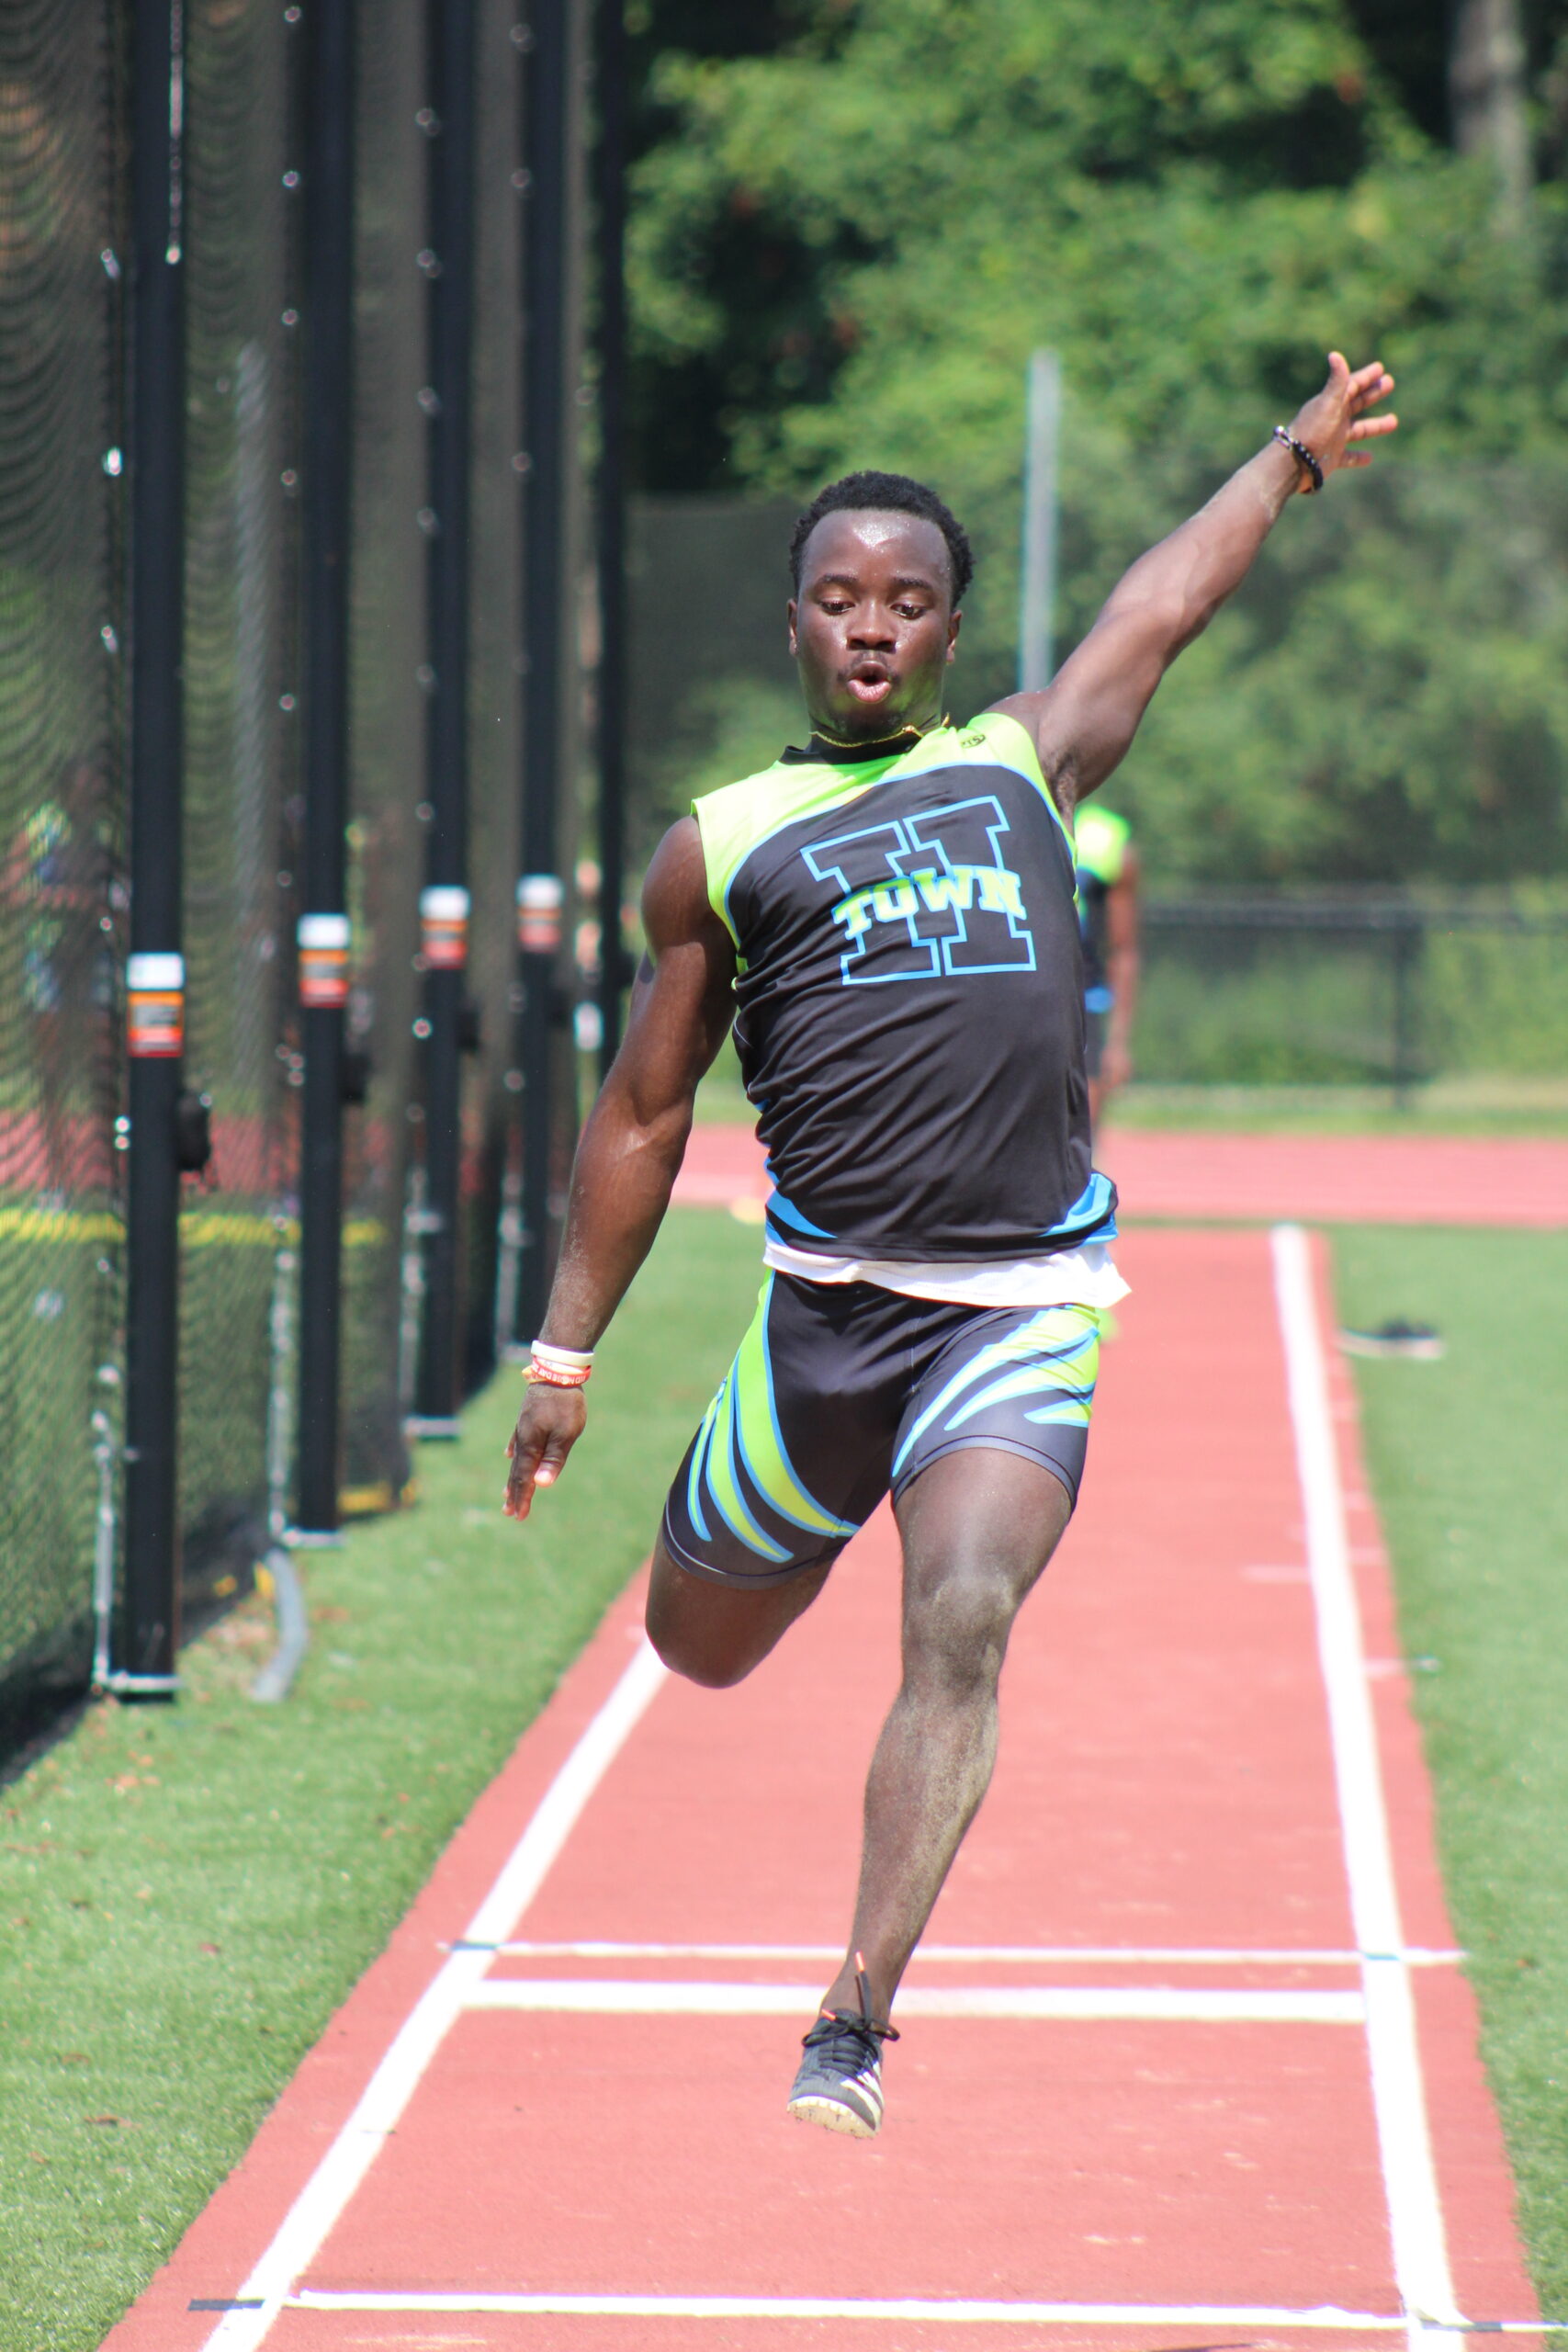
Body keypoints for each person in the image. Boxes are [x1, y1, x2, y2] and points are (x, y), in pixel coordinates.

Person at [504, 353, 1397, 2137]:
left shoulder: (1020, 762)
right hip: (823, 1326)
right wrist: (561, 1352)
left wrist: (1285, 459)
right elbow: (643, 1113)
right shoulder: (725, 846)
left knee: (964, 1611)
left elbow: (1158, 602)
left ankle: (854, 2011)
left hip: (1017, 1311)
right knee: (699, 1645)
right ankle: (807, 1508)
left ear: (948, 630)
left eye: (907, 602)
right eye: (839, 597)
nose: (870, 627)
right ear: (793, 623)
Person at [1074, 799, 1138, 1132]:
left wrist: (1118, 1043)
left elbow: (1123, 950)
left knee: (1081, 1134)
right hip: (1021, 990)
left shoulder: (1106, 837)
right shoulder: (1008, 812)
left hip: (1084, 999)